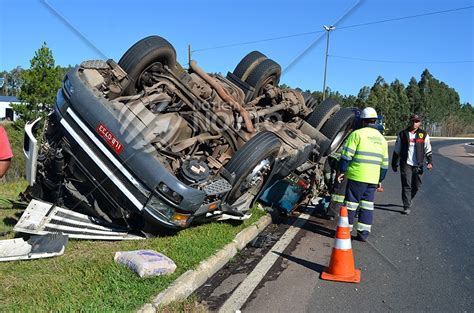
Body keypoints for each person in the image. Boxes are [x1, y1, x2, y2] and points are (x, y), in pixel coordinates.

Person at [336, 107, 388, 242]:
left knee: (351, 204)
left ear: (363, 121)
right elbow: (384, 165)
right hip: (372, 179)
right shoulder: (382, 140)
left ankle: (345, 231)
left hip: (357, 177)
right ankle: (363, 234)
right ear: (375, 121)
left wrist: (341, 171)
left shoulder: (357, 134)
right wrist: (380, 179)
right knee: (367, 206)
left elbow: (346, 156)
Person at [391, 114, 433, 215]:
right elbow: (397, 150)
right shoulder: (402, 134)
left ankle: (409, 198)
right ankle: (406, 206)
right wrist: (394, 163)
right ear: (410, 121)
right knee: (406, 185)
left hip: (418, 164)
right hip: (406, 163)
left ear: (420, 123)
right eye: (413, 121)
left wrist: (430, 162)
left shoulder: (423, 134)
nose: (415, 123)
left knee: (417, 185)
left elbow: (428, 149)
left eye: (417, 121)